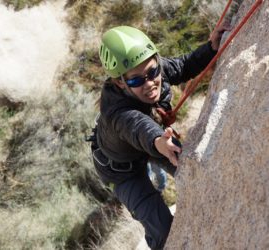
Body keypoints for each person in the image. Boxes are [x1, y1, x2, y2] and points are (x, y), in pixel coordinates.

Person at [90, 24, 228, 250]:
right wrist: (158, 141)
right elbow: (137, 127)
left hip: (152, 143)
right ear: (120, 82)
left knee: (193, 168)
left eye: (153, 72)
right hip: (122, 171)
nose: (150, 83)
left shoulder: (155, 71)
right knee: (162, 231)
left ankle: (163, 178)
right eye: (136, 80)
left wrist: (211, 48)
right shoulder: (115, 111)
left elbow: (184, 65)